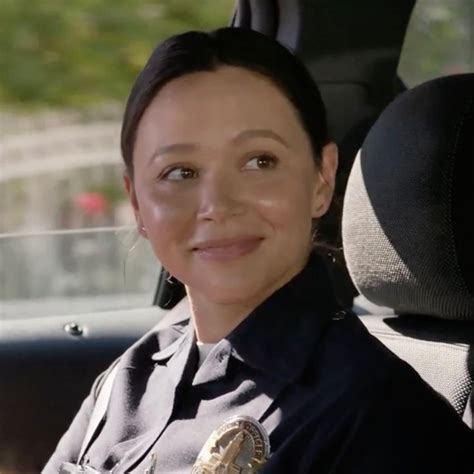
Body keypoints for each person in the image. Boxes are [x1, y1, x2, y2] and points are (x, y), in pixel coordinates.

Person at [44, 27, 473, 473]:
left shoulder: (381, 419)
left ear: (321, 179)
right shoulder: (127, 381)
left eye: (259, 161)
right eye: (180, 172)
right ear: (136, 203)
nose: (217, 206)